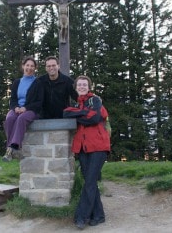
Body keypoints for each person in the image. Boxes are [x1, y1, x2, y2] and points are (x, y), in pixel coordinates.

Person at [63, 75, 111, 230]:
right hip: (83, 149)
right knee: (90, 183)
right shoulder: (77, 104)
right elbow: (66, 113)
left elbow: (95, 117)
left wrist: (80, 116)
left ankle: (81, 217)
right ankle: (99, 215)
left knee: (89, 182)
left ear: (89, 87)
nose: (82, 87)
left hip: (98, 147)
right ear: (76, 87)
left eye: (85, 84)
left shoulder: (95, 100)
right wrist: (84, 113)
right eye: (79, 85)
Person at [2, 56, 44, 162]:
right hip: (17, 109)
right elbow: (13, 99)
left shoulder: (38, 82)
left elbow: (39, 102)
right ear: (23, 66)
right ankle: (12, 149)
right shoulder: (17, 82)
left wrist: (26, 108)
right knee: (10, 118)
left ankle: (13, 148)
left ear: (35, 68)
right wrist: (15, 107)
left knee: (21, 119)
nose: (29, 68)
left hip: (31, 110)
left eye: (32, 66)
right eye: (27, 65)